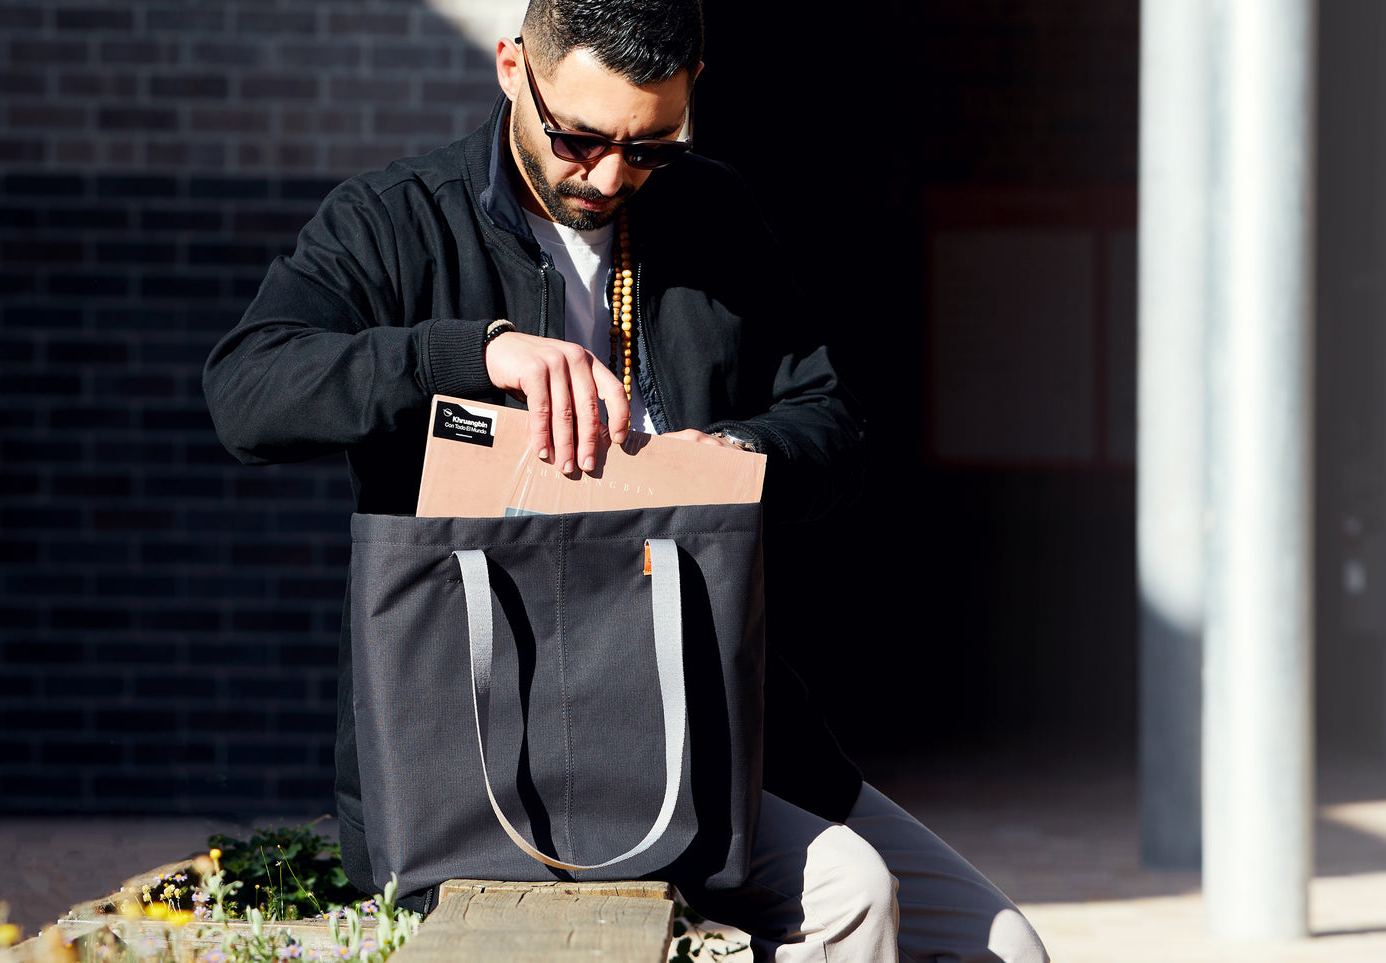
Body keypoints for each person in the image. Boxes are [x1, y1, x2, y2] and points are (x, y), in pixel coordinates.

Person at [203, 1, 1048, 960]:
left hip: (716, 720)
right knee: (849, 892)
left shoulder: (713, 211)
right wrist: (468, 355)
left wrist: (729, 460)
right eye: (579, 138)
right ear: (511, 67)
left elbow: (833, 423)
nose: (609, 176)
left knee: (1002, 947)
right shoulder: (396, 219)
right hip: (491, 754)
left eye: (651, 147)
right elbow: (247, 390)